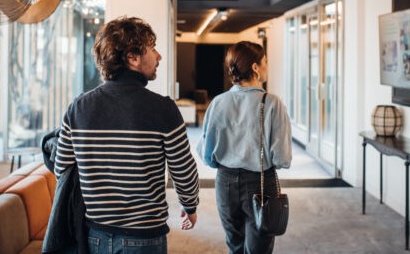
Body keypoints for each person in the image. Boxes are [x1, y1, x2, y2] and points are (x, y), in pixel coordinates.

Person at [54, 16, 199, 253]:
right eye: (152, 49)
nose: (159, 56)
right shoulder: (163, 108)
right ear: (132, 57)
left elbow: (62, 170)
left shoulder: (77, 107)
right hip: (145, 237)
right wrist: (190, 205)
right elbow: (182, 169)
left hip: (94, 235)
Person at [197, 41, 292, 254]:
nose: (268, 66)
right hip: (260, 182)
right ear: (256, 68)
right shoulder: (272, 103)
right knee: (259, 249)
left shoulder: (218, 102)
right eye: (266, 62)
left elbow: (206, 155)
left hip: (225, 183)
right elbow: (281, 159)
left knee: (235, 246)